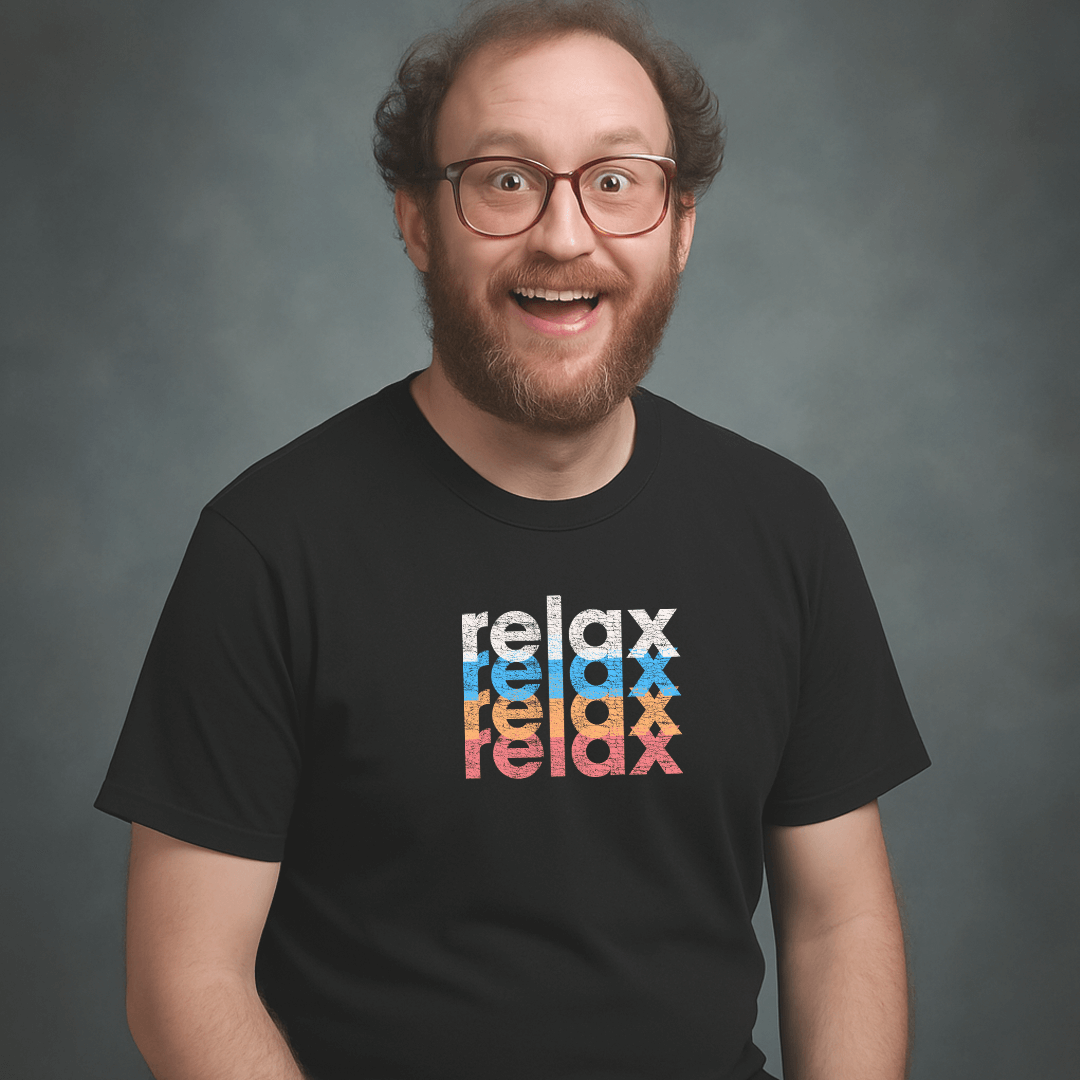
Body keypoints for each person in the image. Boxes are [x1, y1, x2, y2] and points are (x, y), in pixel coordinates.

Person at [96, 2, 930, 1078]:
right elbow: (185, 979)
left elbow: (837, 923)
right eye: (504, 179)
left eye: (617, 179)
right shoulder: (269, 546)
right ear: (415, 219)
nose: (565, 233)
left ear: (679, 223)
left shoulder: (784, 526)